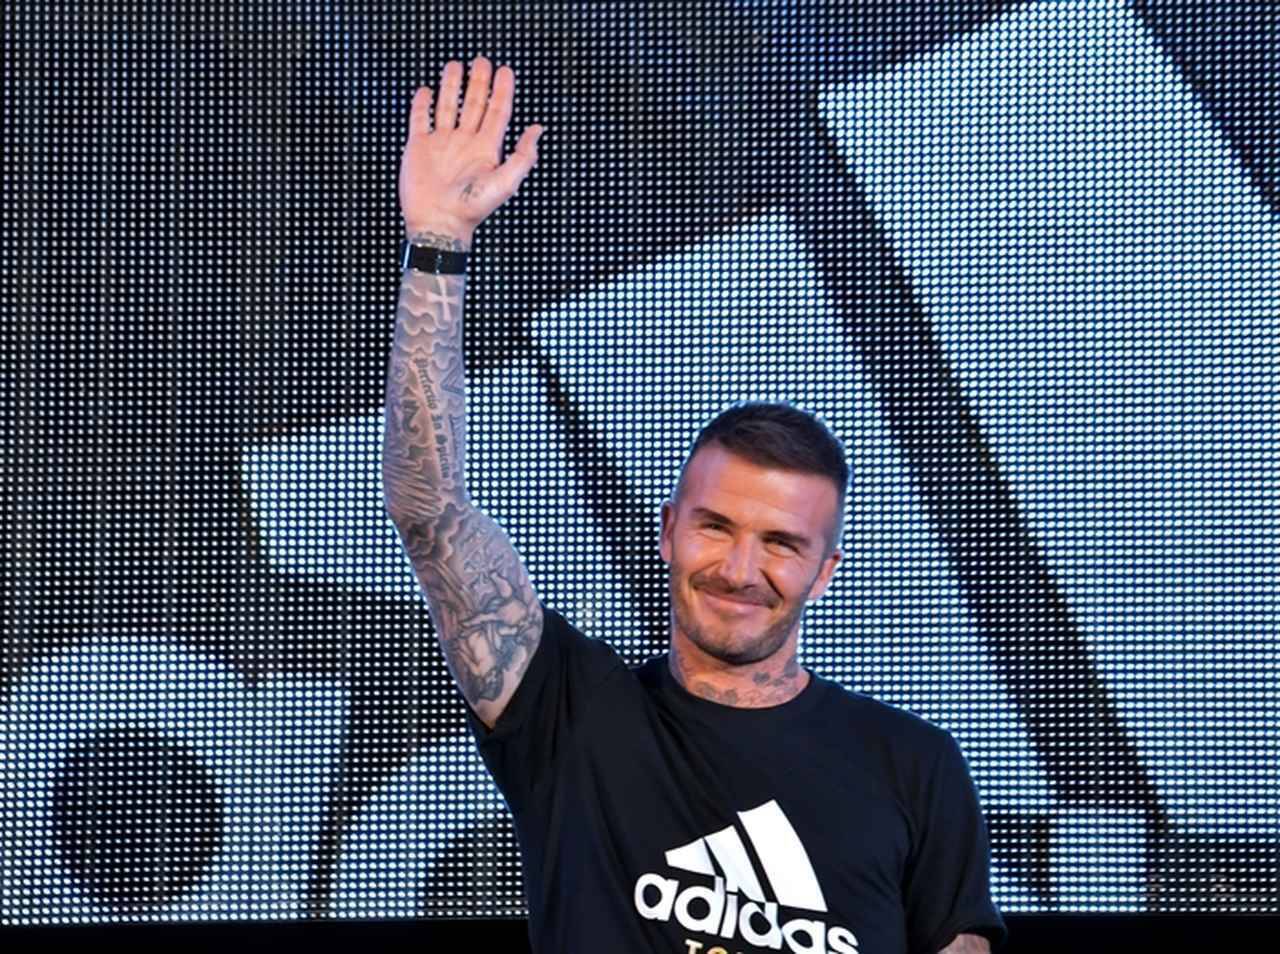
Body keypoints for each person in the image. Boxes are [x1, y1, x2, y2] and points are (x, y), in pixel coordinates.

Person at [382, 55, 1009, 954]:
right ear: (670, 530)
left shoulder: (912, 764)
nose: (742, 568)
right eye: (716, 526)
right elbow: (430, 507)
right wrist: (439, 241)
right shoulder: (570, 715)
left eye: (782, 543)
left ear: (825, 572)